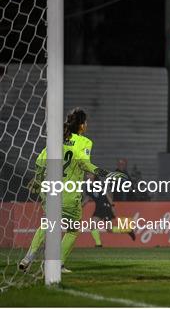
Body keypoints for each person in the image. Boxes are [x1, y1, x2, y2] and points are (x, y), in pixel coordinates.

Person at [19, 108, 110, 273]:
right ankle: (57, 264)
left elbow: (40, 161)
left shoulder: (58, 139)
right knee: (73, 230)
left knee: (48, 224)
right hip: (69, 193)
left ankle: (28, 258)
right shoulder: (85, 143)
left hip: (50, 190)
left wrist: (38, 180)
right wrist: (101, 172)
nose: (87, 125)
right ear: (81, 125)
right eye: (86, 122)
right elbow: (84, 163)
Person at [83, 173, 136, 248]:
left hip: (105, 206)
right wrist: (81, 205)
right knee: (96, 226)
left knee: (108, 229)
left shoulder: (99, 184)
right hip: (98, 207)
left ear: (94, 176)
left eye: (89, 174)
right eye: (87, 175)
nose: (87, 176)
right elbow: (88, 197)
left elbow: (107, 195)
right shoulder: (88, 186)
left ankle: (127, 230)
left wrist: (112, 206)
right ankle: (98, 244)